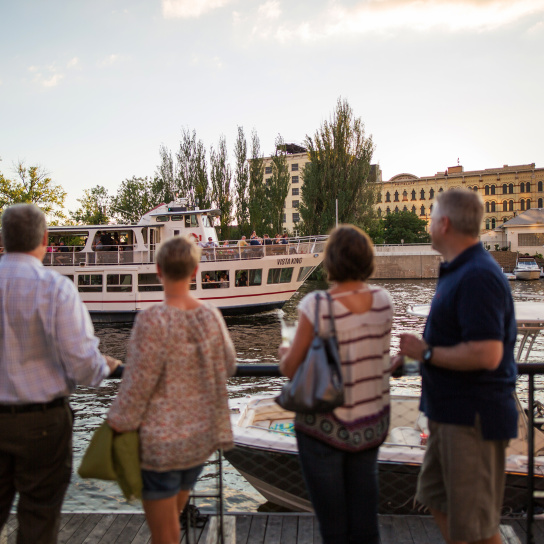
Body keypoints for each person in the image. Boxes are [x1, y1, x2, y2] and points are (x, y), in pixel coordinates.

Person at [398, 189, 517, 544]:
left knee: (476, 527)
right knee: (436, 499)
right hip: (449, 416)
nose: (429, 223)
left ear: (444, 224)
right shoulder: (458, 271)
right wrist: (414, 358)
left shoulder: (478, 276)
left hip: (472, 421)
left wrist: (427, 354)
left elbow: (487, 354)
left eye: (431, 216)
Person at [0, 204, 120, 544]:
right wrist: (105, 366)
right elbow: (83, 366)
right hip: (41, 423)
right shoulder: (56, 288)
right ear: (44, 239)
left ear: (3, 239)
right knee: (39, 516)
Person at [107, 236, 236, 544]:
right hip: (198, 441)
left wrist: (117, 425)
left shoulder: (151, 319)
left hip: (160, 445)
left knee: (165, 534)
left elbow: (137, 385)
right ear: (195, 271)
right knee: (170, 526)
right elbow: (229, 365)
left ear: (158, 270)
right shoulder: (211, 316)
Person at [279, 224, 394, 544]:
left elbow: (292, 369)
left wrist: (285, 352)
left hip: (324, 429)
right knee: (365, 525)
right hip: (370, 427)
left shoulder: (317, 305)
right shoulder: (384, 301)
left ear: (331, 261)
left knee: (334, 529)